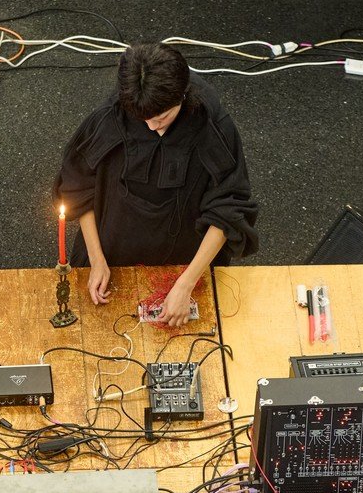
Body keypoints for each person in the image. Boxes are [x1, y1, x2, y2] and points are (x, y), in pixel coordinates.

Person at [53, 42, 258, 326]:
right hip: (113, 251)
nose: (152, 127)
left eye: (161, 117)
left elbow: (229, 209)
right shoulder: (113, 114)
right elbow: (77, 186)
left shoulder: (212, 124)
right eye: (144, 120)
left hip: (186, 261)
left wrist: (186, 284)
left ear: (182, 97)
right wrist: (96, 258)